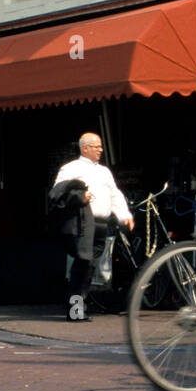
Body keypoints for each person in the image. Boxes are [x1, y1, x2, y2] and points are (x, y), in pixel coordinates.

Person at [52, 133, 132, 320]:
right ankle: (76, 310)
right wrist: (79, 197)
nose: (100, 150)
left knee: (89, 266)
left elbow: (115, 194)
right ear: (84, 148)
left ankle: (80, 306)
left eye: (101, 146)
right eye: (96, 146)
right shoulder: (70, 168)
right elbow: (57, 193)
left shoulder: (105, 171)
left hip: (102, 224)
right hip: (83, 224)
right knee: (84, 263)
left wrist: (124, 215)